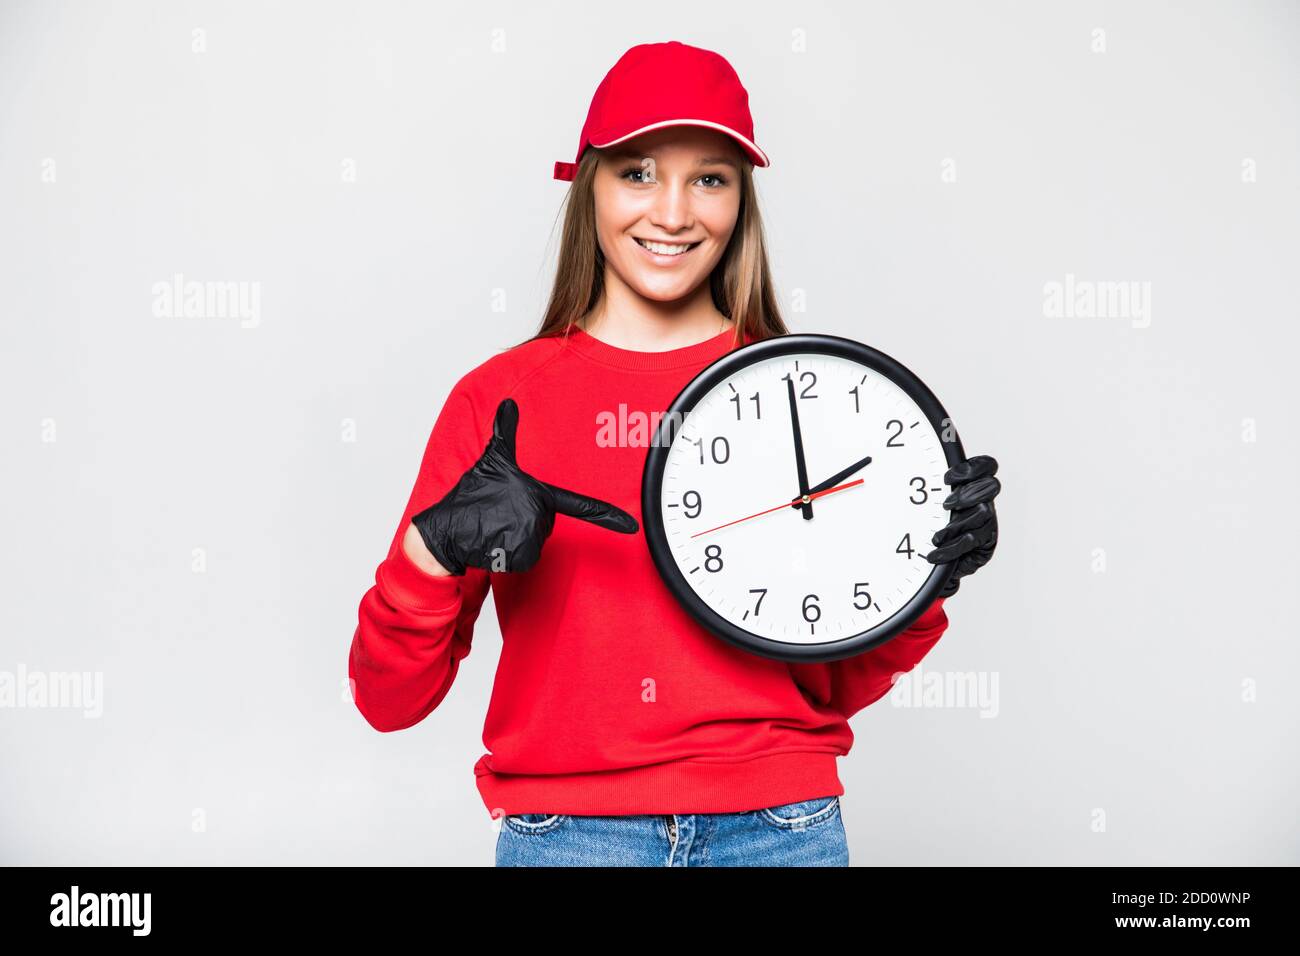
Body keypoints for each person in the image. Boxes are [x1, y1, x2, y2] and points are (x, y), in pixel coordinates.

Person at [348, 40, 1001, 867]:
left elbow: (834, 678)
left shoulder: (812, 394)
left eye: (710, 178)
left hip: (781, 830)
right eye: (639, 172)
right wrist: (429, 551)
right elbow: (389, 701)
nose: (673, 213)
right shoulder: (500, 401)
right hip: (568, 839)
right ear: (588, 187)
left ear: (741, 202)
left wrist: (927, 582)